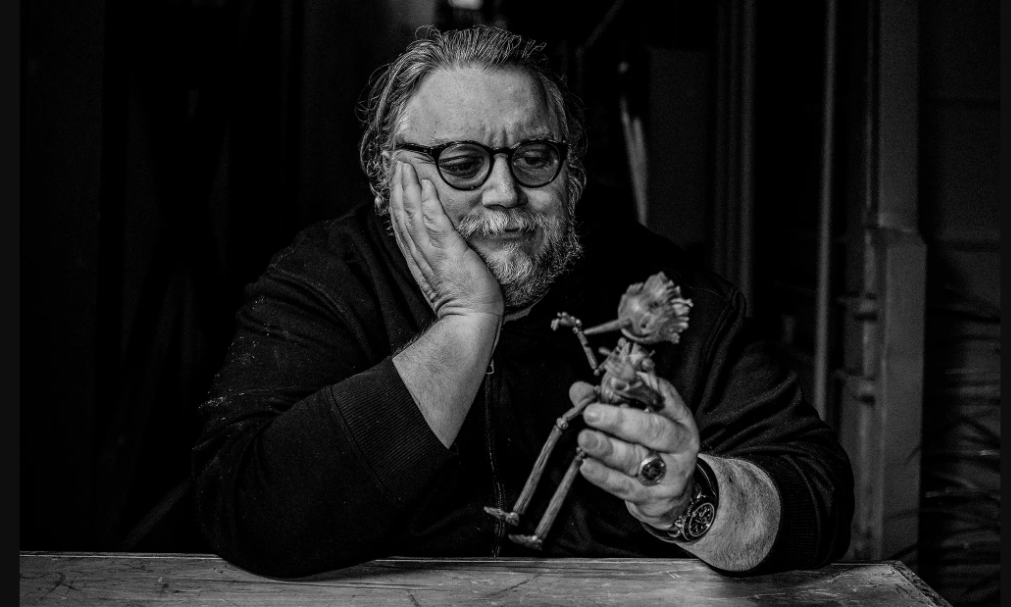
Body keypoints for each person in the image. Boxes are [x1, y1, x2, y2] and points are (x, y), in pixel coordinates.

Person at [192, 25, 853, 578]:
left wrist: (693, 502)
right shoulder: (324, 281)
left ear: (572, 174)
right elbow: (245, 509)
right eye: (461, 162)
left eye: (534, 156)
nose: (505, 193)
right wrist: (466, 324)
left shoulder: (662, 287)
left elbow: (817, 495)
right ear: (390, 174)